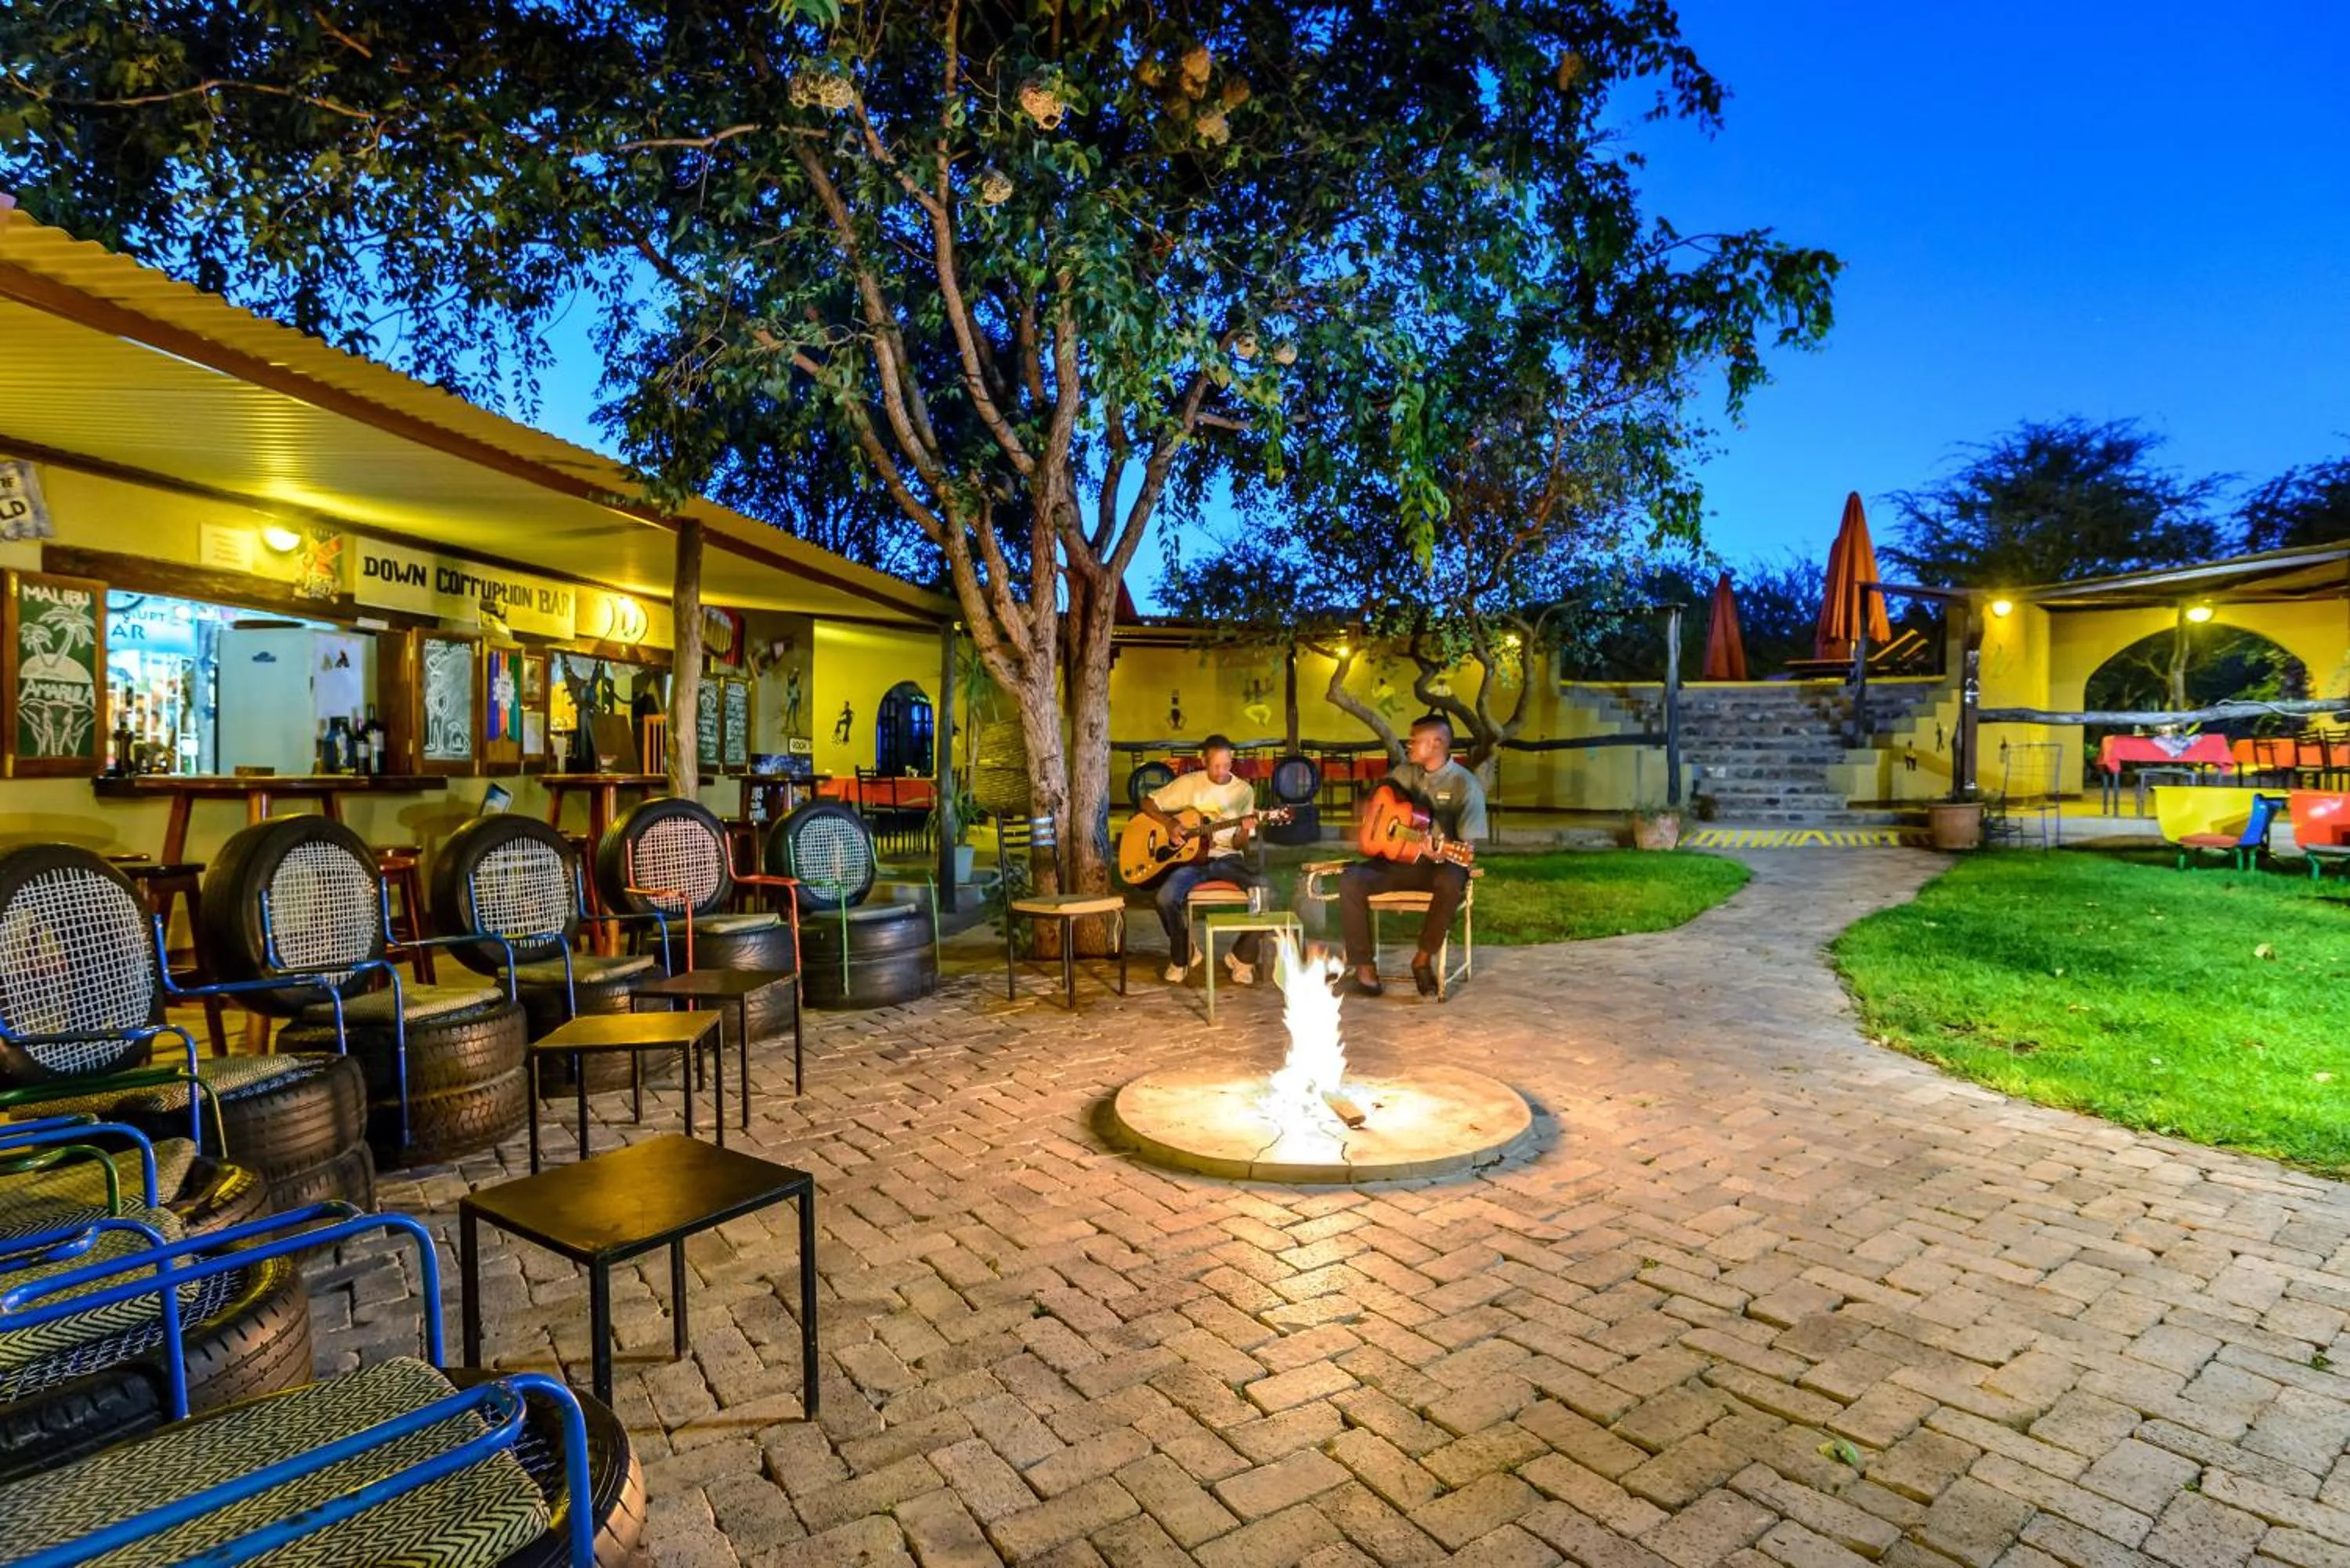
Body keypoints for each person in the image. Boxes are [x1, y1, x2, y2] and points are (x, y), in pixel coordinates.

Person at [1339, 714, 1485, 996]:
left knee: (1452, 881)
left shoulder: (1466, 786)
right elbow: (1377, 804)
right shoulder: (1404, 774)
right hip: (1398, 862)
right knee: (1351, 879)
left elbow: (1467, 851)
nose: (1408, 745)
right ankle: (1365, 968)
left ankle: (1423, 957)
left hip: (1440, 865)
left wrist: (1440, 850)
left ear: (1437, 743)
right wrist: (1371, 824)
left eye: (1414, 740)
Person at [1140, 734, 1271, 985]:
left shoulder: (1244, 791)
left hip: (1228, 858)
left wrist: (1244, 829)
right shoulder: (1188, 784)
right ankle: (1183, 955)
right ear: (1204, 761)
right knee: (1164, 898)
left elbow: (1238, 844)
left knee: (1264, 889)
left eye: (1227, 765)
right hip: (1190, 861)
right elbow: (1147, 803)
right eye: (1216, 766)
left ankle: (1242, 957)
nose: (1223, 771)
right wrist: (1169, 823)